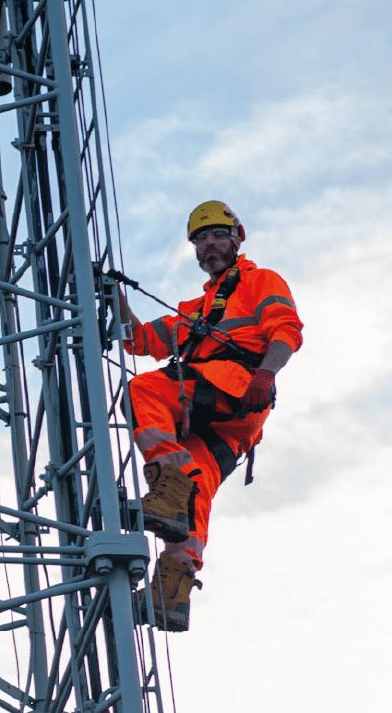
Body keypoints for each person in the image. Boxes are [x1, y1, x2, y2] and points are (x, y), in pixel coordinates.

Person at [119, 201, 302, 632]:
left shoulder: (260, 281)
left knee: (145, 390)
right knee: (194, 489)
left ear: (237, 238)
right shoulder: (194, 309)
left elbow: (286, 330)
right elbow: (139, 339)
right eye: (200, 239)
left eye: (218, 235)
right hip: (234, 420)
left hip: (236, 384)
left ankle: (169, 486)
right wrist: (112, 296)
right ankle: (173, 589)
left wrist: (265, 373)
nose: (209, 245)